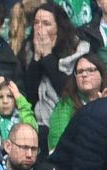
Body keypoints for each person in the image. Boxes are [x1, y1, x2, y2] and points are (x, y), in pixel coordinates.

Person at [18, 2, 90, 142]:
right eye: (37, 23)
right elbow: (30, 97)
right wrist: (37, 59)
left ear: (59, 28)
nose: (40, 29)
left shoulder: (78, 50)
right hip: (39, 124)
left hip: (70, 121)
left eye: (46, 23)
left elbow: (67, 92)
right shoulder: (28, 50)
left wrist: (48, 56)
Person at [47, 52, 107, 151]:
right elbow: (56, 145)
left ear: (102, 74)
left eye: (90, 70)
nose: (84, 75)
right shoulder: (65, 105)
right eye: (80, 71)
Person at [0, 77, 37, 141]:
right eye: (0, 97)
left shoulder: (21, 118)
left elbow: (31, 129)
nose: (5, 101)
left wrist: (18, 96)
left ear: (15, 99)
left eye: (10, 96)